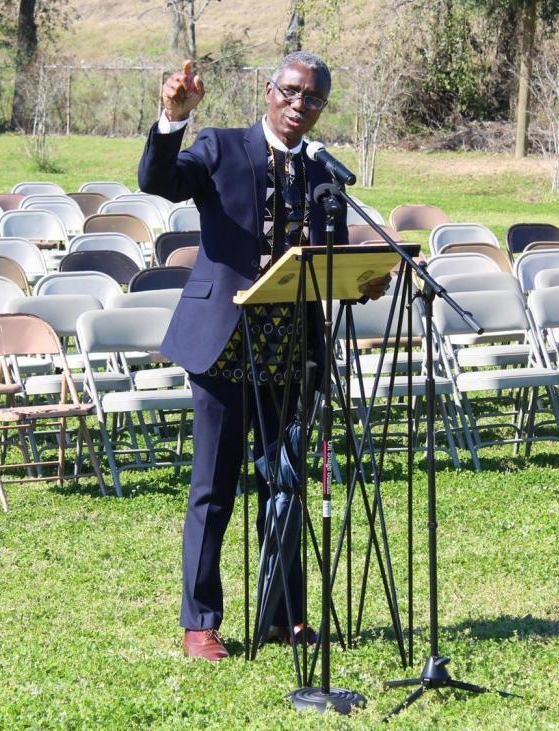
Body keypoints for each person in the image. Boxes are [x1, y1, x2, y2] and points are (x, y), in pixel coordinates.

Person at [138, 52, 390, 661]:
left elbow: (323, 259)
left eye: (314, 99)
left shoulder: (322, 173)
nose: (300, 106)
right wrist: (172, 118)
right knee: (213, 491)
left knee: (285, 486)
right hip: (224, 347)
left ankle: (284, 615)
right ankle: (200, 621)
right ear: (271, 91)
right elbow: (159, 181)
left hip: (292, 352)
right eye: (292, 92)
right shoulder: (219, 147)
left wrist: (361, 278)